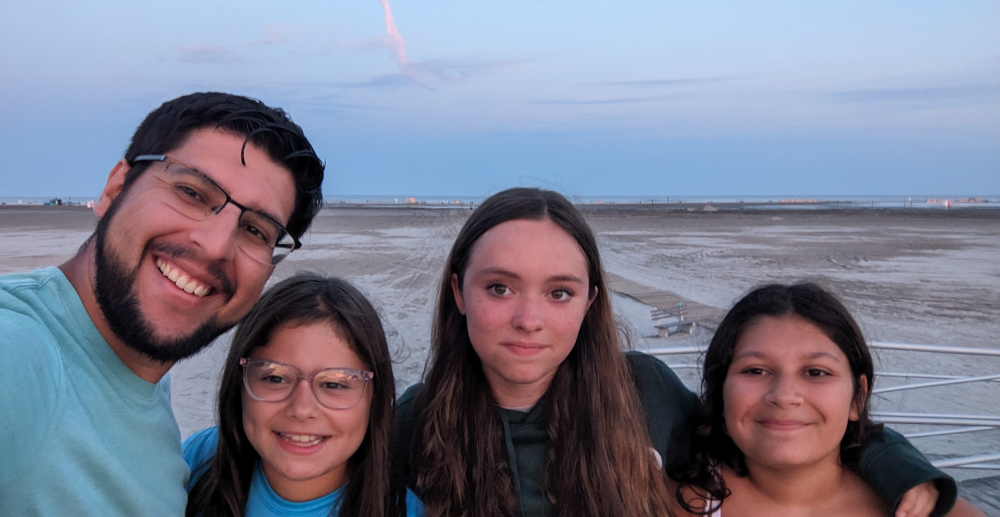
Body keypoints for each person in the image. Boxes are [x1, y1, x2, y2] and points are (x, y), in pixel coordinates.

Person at [390, 187, 958, 517]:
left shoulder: (642, 391)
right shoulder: (418, 421)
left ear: (590, 302)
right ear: (457, 291)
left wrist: (901, 470)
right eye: (499, 288)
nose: (529, 318)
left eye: (559, 292)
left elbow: (774, 427)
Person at [0, 92, 325, 515]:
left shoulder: (144, 380)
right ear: (116, 188)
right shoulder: (20, 355)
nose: (214, 246)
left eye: (257, 231)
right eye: (191, 192)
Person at [667, 282, 982, 517]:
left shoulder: (936, 512)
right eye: (756, 370)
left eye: (816, 372)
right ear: (721, 390)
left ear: (857, 397)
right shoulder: (664, 503)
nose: (785, 395)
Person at [184, 273, 425, 516]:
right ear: (239, 385)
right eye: (275, 378)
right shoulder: (200, 460)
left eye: (334, 384)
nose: (301, 409)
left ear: (375, 399)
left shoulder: (404, 511)